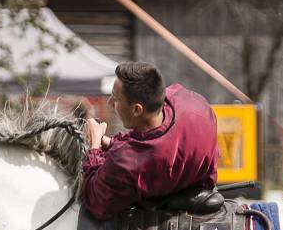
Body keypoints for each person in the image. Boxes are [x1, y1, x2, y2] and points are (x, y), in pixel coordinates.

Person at [81, 61, 219, 221]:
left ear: (136, 109)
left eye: (116, 99)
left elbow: (95, 200)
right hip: (201, 180)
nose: (110, 103)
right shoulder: (191, 100)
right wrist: (112, 143)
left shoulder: (125, 162)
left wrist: (94, 146)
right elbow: (149, 141)